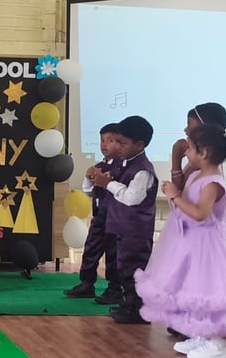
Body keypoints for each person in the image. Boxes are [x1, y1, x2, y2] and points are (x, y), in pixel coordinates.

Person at [137, 124, 226, 358]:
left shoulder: (213, 182)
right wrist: (176, 194)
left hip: (209, 245)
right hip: (192, 242)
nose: (186, 152)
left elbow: (200, 214)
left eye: (190, 148)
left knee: (210, 291)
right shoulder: (196, 175)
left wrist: (175, 196)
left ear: (203, 153)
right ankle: (202, 334)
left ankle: (217, 343)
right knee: (193, 289)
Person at [167, 102, 226, 341]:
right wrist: (176, 161)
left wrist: (175, 195)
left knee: (202, 280)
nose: (185, 130)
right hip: (191, 230)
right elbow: (183, 189)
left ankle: (206, 334)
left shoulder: (211, 173)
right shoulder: (199, 164)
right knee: (187, 276)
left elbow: (198, 209)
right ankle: (190, 325)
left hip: (204, 235)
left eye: (190, 126)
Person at [91, 115, 158, 324]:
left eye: (122, 143)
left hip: (136, 230)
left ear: (140, 145)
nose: (118, 147)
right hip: (122, 227)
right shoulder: (126, 164)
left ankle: (137, 310)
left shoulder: (143, 169)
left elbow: (132, 198)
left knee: (134, 270)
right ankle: (129, 304)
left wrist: (107, 184)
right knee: (123, 268)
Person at [64, 123, 123, 305]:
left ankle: (115, 288)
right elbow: (89, 192)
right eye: (102, 140)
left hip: (114, 218)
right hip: (99, 216)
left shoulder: (122, 167)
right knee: (91, 249)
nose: (104, 144)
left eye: (110, 141)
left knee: (113, 254)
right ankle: (86, 283)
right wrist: (89, 177)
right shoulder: (99, 165)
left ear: (121, 143)